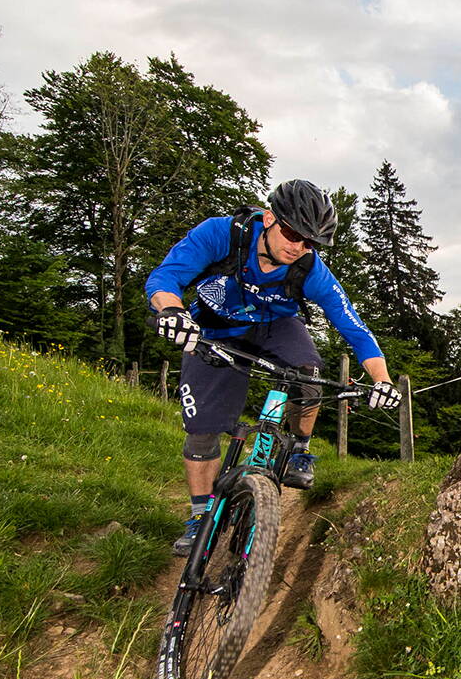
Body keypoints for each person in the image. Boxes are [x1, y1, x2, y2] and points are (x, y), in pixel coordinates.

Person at [146, 179, 401, 554]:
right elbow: (165, 277)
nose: (298, 247)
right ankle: (201, 515)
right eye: (293, 233)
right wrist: (173, 312)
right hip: (215, 327)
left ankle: (299, 446)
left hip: (275, 327)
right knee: (202, 431)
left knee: (307, 370)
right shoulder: (222, 235)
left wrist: (382, 381)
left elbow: (355, 329)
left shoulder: (310, 270)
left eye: (310, 242)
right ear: (269, 218)